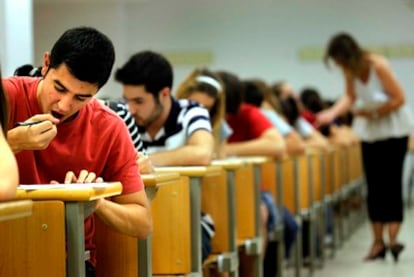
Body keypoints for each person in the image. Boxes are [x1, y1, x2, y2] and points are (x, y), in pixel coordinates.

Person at [3, 26, 152, 276]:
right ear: (46, 63)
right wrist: (12, 142)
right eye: (59, 88)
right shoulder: (6, 97)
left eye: (81, 98)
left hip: (71, 261)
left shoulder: (109, 127)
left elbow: (142, 223)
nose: (64, 105)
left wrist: (95, 202)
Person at [316, 32, 414, 262]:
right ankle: (377, 242)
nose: (339, 66)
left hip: (392, 130)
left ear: (348, 55)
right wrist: (331, 113)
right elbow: (349, 97)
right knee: (374, 186)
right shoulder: (350, 72)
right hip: (370, 133)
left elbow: (399, 97)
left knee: (391, 183)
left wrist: (374, 111)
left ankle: (393, 238)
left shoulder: (378, 65)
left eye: (340, 61)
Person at [114, 51, 215, 262]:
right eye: (127, 100)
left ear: (164, 94)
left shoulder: (191, 112)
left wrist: (148, 161)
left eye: (139, 101)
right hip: (133, 220)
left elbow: (202, 152)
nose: (131, 109)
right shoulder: (122, 117)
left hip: (187, 219)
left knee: (169, 260)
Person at [175, 67, 229, 158]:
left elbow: (221, 156)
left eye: (206, 108)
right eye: (194, 105)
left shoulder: (219, 126)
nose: (199, 112)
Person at [0, 69, 18, 200]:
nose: (63, 106)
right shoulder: (10, 91)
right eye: (59, 88)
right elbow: (4, 186)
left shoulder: (94, 114)